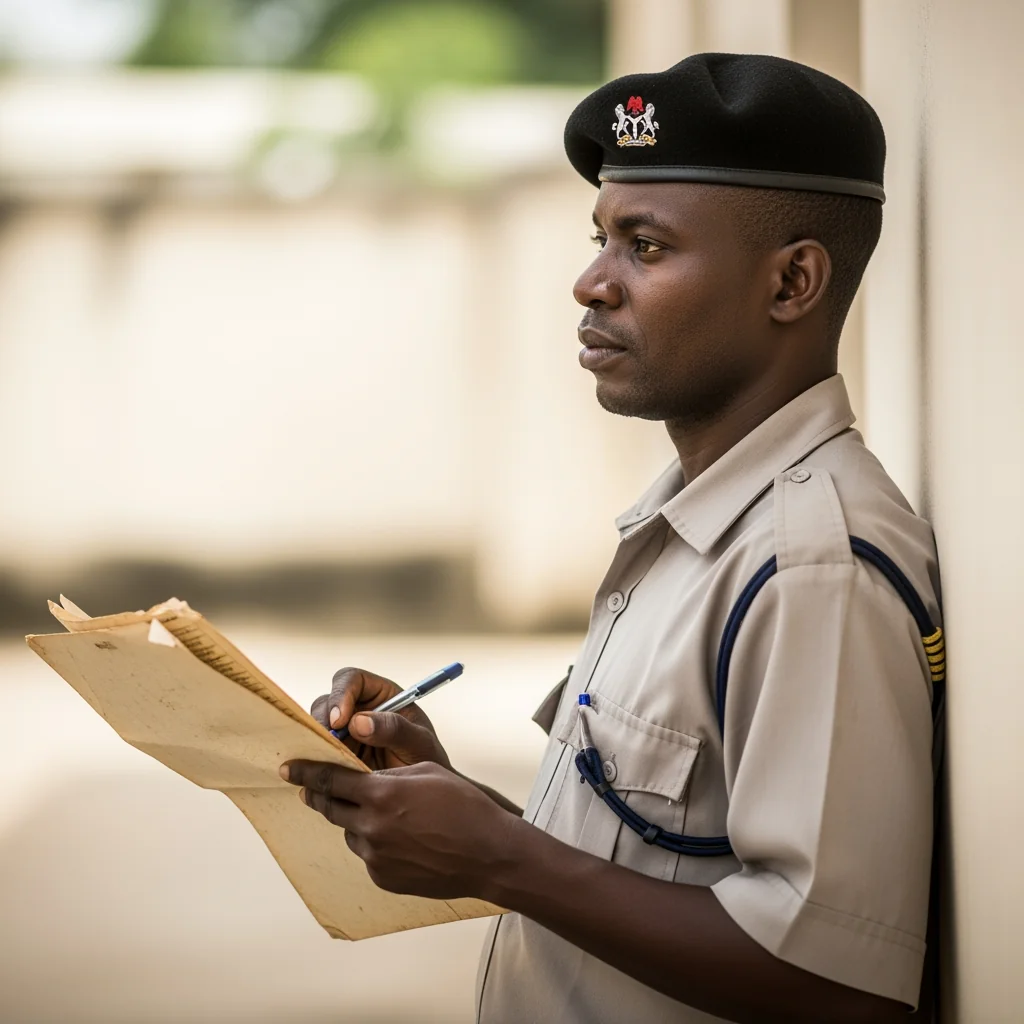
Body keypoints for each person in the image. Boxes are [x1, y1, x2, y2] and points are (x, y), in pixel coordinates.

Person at [279, 53, 942, 1023]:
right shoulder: (697, 520)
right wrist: (451, 798)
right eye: (599, 239)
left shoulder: (810, 562)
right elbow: (660, 871)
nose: (590, 282)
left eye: (646, 246)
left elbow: (839, 985)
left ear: (793, 281)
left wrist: (502, 856)